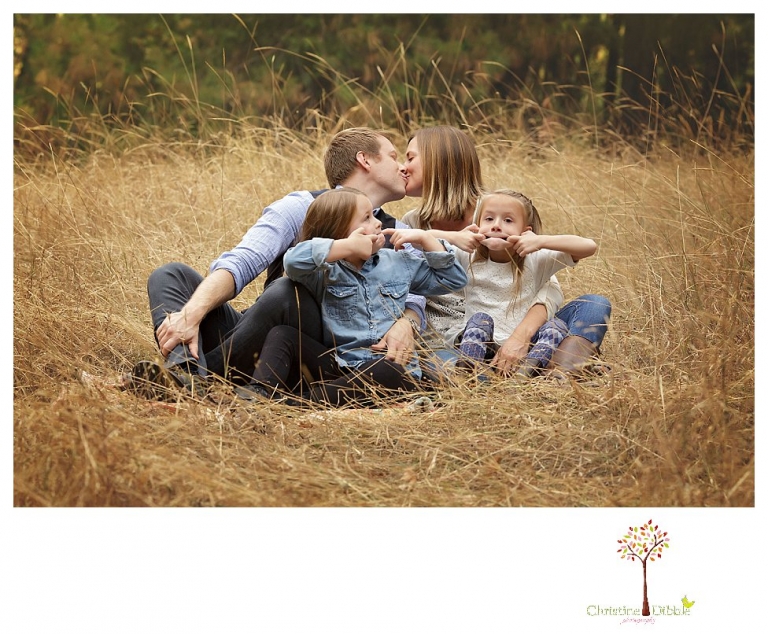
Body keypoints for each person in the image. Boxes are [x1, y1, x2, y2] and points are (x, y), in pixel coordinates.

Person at [124, 128, 425, 399]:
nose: (402, 166)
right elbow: (242, 263)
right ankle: (184, 372)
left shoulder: (396, 231)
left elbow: (415, 292)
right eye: (393, 156)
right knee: (171, 274)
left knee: (288, 291)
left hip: (307, 351)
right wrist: (191, 315)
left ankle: (193, 378)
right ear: (365, 160)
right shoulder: (299, 207)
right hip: (259, 331)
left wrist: (408, 321)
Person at [400, 125, 612, 377]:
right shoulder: (413, 224)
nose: (403, 167)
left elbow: (546, 286)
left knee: (593, 305)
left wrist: (520, 337)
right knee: (445, 374)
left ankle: (561, 374)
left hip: (520, 324)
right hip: (461, 339)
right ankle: (556, 370)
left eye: (410, 157)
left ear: (439, 161)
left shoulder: (497, 212)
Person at [243, 188, 468, 407]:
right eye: (367, 218)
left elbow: (454, 280)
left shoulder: (399, 262)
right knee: (283, 335)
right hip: (340, 367)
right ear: (341, 231)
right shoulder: (325, 272)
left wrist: (426, 239)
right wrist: (347, 247)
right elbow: (292, 262)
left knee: (387, 370)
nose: (378, 223)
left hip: (390, 371)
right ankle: (258, 393)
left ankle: (288, 405)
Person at [433, 189, 600, 377]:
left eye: (508, 221)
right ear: (477, 225)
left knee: (557, 327)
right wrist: (454, 237)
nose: (496, 226)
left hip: (524, 347)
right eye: (488, 219)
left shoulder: (536, 259)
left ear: (525, 232)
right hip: (480, 341)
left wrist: (541, 241)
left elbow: (589, 247)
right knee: (480, 321)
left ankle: (531, 373)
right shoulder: (467, 255)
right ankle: (470, 371)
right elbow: (420, 239)